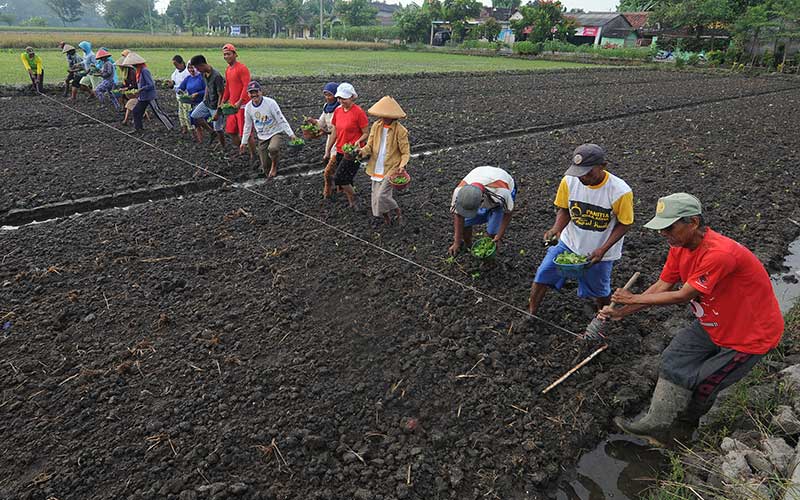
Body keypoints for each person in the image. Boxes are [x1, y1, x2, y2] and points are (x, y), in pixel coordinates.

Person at [599, 193, 783, 446]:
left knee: (704, 384)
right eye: (661, 228)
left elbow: (683, 296)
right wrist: (622, 311)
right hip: (713, 322)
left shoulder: (719, 254)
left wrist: (631, 300)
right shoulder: (679, 247)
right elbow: (663, 285)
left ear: (693, 222)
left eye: (669, 227)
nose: (664, 233)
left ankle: (681, 431)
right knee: (674, 358)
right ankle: (656, 422)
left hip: (749, 335)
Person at [528, 144, 633, 316]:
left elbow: (625, 223)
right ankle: (531, 313)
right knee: (543, 274)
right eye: (579, 172)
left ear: (603, 166)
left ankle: (603, 318)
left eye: (588, 172)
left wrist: (603, 249)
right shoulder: (569, 181)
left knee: (599, 289)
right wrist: (556, 228)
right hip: (569, 242)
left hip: (600, 250)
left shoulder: (620, 191)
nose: (583, 177)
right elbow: (565, 209)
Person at [357, 96, 410, 225]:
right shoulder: (376, 126)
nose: (383, 117)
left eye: (386, 115)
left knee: (382, 196)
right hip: (376, 166)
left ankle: (397, 210)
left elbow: (405, 152)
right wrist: (361, 152)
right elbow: (369, 146)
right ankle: (385, 218)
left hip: (391, 168)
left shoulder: (400, 131)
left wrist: (402, 166)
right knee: (375, 198)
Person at [448, 166, 516, 256]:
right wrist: (457, 242)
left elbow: (508, 213)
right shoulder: (458, 192)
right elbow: (458, 215)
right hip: (480, 174)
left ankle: (488, 249)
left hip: (502, 184)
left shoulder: (501, 193)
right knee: (465, 224)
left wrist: (499, 235)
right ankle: (468, 245)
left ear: (481, 201)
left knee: (492, 231)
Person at [240, 81, 297, 178]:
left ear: (261, 92)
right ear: (248, 94)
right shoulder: (248, 107)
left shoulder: (270, 103)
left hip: (275, 132)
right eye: (251, 92)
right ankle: (271, 174)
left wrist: (291, 134)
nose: (254, 95)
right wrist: (244, 142)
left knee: (273, 148)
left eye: (256, 92)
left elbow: (281, 119)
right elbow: (247, 125)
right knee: (265, 166)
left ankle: (274, 165)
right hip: (262, 136)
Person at [329, 82, 369, 208]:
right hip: (341, 150)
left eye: (344, 98)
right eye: (339, 98)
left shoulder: (359, 112)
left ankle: (354, 197)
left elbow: (366, 133)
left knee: (339, 178)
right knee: (348, 178)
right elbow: (335, 131)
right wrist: (329, 149)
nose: (341, 101)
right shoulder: (337, 111)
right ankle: (352, 202)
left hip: (353, 152)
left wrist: (358, 141)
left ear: (352, 97)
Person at [305, 82, 340, 197]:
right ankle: (338, 187)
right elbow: (322, 123)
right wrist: (312, 121)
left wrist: (327, 132)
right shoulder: (326, 107)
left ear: (335, 95)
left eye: (329, 95)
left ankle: (328, 192)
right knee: (335, 167)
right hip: (330, 141)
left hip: (339, 140)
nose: (327, 97)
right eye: (325, 95)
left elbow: (339, 129)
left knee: (328, 171)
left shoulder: (339, 109)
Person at [219, 43, 253, 158]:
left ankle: (254, 155)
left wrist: (240, 101)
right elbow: (228, 87)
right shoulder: (228, 69)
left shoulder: (242, 68)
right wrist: (223, 101)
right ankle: (243, 150)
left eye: (228, 54)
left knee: (246, 133)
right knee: (231, 131)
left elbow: (246, 86)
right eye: (224, 54)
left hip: (243, 106)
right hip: (233, 107)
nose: (226, 56)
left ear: (234, 54)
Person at [127, 52, 174, 131]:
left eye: (133, 64)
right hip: (142, 97)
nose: (132, 65)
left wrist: (141, 89)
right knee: (136, 111)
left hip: (150, 96)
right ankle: (138, 128)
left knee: (157, 112)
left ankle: (170, 127)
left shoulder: (144, 71)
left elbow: (151, 85)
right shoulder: (138, 71)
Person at [189, 54, 226, 149]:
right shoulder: (204, 73)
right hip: (207, 102)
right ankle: (211, 132)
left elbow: (221, 94)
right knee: (194, 115)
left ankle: (223, 147)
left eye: (197, 68)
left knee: (219, 129)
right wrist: (205, 98)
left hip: (215, 105)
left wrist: (218, 111)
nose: (197, 70)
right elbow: (207, 86)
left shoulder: (216, 76)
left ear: (202, 65)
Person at [177, 63, 206, 143]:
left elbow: (207, 90)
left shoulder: (202, 78)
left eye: (192, 68)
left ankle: (212, 134)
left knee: (202, 121)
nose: (191, 70)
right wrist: (179, 91)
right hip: (193, 102)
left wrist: (198, 93)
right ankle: (200, 140)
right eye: (189, 68)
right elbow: (181, 88)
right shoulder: (188, 78)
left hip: (202, 103)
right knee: (195, 121)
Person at [169, 55, 191, 135]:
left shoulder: (188, 72)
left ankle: (191, 129)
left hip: (187, 97)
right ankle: (184, 129)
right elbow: (173, 83)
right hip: (179, 97)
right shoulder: (175, 73)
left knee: (187, 114)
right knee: (181, 114)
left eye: (176, 64)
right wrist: (171, 85)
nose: (176, 67)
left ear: (182, 63)